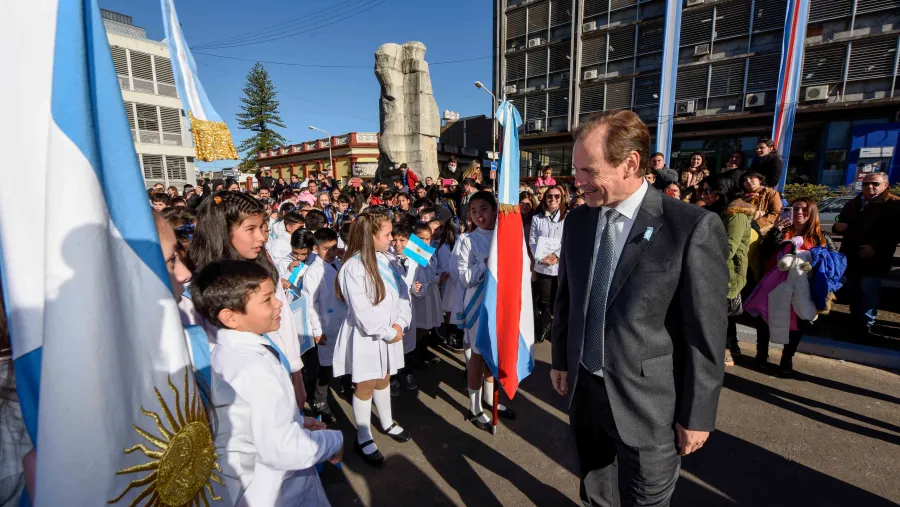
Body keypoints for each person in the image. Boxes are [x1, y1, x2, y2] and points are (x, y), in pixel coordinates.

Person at [550, 110, 728, 506]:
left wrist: (697, 415)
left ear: (630, 163)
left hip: (650, 407)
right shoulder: (578, 221)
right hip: (587, 392)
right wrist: (561, 358)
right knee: (595, 491)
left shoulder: (691, 227)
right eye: (576, 170)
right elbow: (568, 298)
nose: (577, 182)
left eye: (588, 171)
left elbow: (705, 333)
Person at [192, 260, 343, 506]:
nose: (279, 303)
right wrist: (334, 441)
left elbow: (252, 420)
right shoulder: (253, 368)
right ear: (230, 317)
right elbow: (283, 449)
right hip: (280, 492)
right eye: (267, 299)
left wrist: (296, 420)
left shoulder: (229, 354)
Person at [188, 191, 307, 409]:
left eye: (262, 228)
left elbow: (285, 322)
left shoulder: (264, 266)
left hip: (278, 367)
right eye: (250, 229)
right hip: (237, 388)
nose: (262, 237)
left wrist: (296, 371)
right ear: (222, 231)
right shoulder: (204, 283)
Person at [332, 211, 412, 467]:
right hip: (367, 336)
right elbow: (362, 311)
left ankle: (387, 422)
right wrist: (389, 332)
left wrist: (400, 322)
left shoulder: (388, 259)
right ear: (370, 237)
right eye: (387, 234)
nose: (392, 239)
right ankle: (363, 435)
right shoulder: (353, 267)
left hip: (391, 332)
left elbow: (402, 293)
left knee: (385, 376)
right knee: (365, 384)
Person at [750, 197, 837, 376]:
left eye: (804, 210)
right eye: (795, 208)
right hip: (773, 284)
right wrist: (776, 231)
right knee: (765, 319)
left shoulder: (821, 236)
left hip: (801, 287)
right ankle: (761, 355)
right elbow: (765, 252)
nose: (798, 213)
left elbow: (831, 263)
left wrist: (808, 267)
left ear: (812, 213)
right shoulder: (782, 231)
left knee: (796, 323)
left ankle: (786, 358)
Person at [457, 191, 516, 433]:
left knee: (496, 355)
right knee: (478, 356)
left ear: (494, 210)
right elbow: (464, 278)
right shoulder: (467, 240)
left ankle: (491, 399)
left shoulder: (506, 236)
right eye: (473, 211)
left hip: (502, 303)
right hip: (478, 306)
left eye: (484, 209)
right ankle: (474, 406)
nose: (479, 215)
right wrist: (485, 262)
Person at [833, 171, 900, 335]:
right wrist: (838, 227)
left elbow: (894, 232)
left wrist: (874, 246)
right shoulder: (854, 202)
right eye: (865, 183)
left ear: (885, 185)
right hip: (851, 253)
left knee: (868, 289)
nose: (869, 186)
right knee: (854, 288)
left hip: (875, 257)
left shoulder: (894, 204)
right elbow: (841, 221)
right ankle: (855, 319)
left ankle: (866, 323)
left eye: (875, 183)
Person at [698, 176, 755, 366]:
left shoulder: (735, 214)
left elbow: (729, 249)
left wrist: (698, 252)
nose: (703, 195)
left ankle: (725, 353)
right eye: (702, 191)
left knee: (721, 317)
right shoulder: (716, 211)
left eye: (708, 191)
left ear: (721, 190)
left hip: (729, 273)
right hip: (714, 270)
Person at [302, 228, 346, 425]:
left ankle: (339, 387)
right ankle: (319, 401)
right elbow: (310, 304)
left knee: (337, 361)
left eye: (334, 247)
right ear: (314, 249)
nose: (331, 252)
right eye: (326, 248)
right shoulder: (312, 272)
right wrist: (317, 331)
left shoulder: (338, 264)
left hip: (341, 321)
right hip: (325, 325)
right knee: (324, 368)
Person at [529, 185, 568, 344]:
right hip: (543, 266)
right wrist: (540, 257)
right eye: (549, 196)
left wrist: (557, 256)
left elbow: (568, 240)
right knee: (544, 300)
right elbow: (532, 241)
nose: (553, 199)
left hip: (560, 267)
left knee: (559, 299)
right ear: (544, 198)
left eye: (557, 196)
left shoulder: (568, 217)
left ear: (561, 199)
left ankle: (558, 329)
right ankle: (545, 327)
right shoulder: (537, 218)